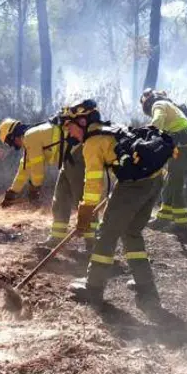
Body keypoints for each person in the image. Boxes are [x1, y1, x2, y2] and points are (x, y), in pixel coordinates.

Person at [64, 111, 171, 315]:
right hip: (155, 179)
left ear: (83, 122)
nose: (70, 133)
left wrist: (85, 213)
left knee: (106, 234)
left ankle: (93, 288)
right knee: (132, 232)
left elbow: (93, 183)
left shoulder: (92, 143)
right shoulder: (112, 128)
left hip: (133, 185)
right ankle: (146, 288)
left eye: (71, 127)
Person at [0, 104, 98, 251]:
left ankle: (93, 242)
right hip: (68, 160)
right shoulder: (31, 137)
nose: (14, 146)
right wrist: (13, 192)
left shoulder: (30, 137)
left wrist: (35, 188)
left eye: (10, 142)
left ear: (13, 136)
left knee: (81, 200)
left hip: (77, 155)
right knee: (60, 200)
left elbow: (37, 168)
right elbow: (25, 167)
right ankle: (56, 239)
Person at [140, 89, 187, 240]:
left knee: (176, 185)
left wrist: (144, 140)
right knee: (170, 181)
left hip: (183, 147)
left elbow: (157, 122)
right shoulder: (169, 104)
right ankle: (163, 218)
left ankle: (182, 225)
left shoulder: (158, 104)